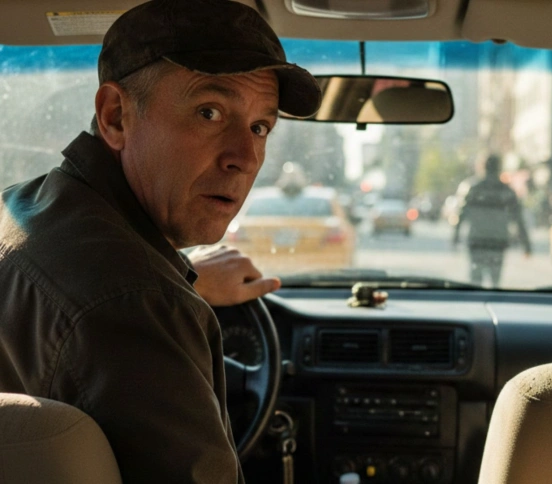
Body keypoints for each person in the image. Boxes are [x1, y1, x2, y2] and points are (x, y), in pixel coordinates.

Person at [0, 0, 321, 482]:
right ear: (115, 116)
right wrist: (162, 294)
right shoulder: (140, 304)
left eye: (260, 127)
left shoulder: (19, 210)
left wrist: (185, 281)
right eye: (209, 112)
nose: (246, 157)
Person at [453, 154, 531, 287]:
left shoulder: (473, 188)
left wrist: (456, 235)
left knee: (475, 281)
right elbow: (518, 219)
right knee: (495, 281)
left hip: (477, 241)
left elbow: (461, 214)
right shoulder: (507, 191)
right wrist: (526, 244)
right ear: (499, 168)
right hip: (498, 242)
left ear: (483, 167)